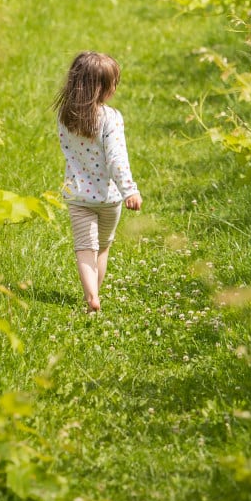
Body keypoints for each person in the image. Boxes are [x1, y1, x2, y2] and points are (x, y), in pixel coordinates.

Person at [55, 50, 142, 312]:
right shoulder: (110, 118)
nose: (115, 88)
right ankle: (92, 297)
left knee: (84, 248)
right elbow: (117, 159)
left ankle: (91, 295)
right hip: (108, 197)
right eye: (113, 83)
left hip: (78, 195)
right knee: (102, 248)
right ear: (101, 89)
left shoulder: (65, 116)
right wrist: (130, 190)